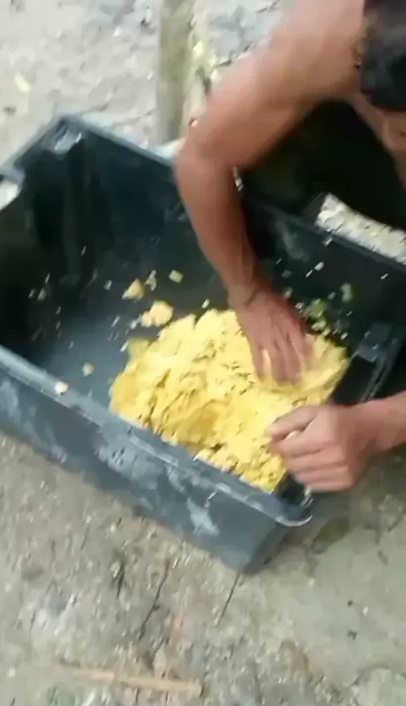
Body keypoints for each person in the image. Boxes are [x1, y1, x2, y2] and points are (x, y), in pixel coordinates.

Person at [175, 0, 406, 492]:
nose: (396, 139)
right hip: (364, 125)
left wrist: (376, 425)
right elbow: (203, 157)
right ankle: (281, 263)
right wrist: (248, 291)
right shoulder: (340, 31)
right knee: (274, 131)